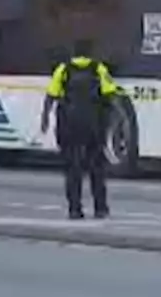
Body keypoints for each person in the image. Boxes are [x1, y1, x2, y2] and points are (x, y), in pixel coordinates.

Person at [40, 39, 120, 220]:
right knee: (96, 168)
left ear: (73, 53)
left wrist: (44, 120)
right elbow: (111, 95)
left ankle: (75, 209)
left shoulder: (64, 69)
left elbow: (51, 96)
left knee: (72, 169)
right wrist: (114, 122)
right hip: (93, 125)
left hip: (69, 125)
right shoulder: (98, 69)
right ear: (90, 52)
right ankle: (100, 208)